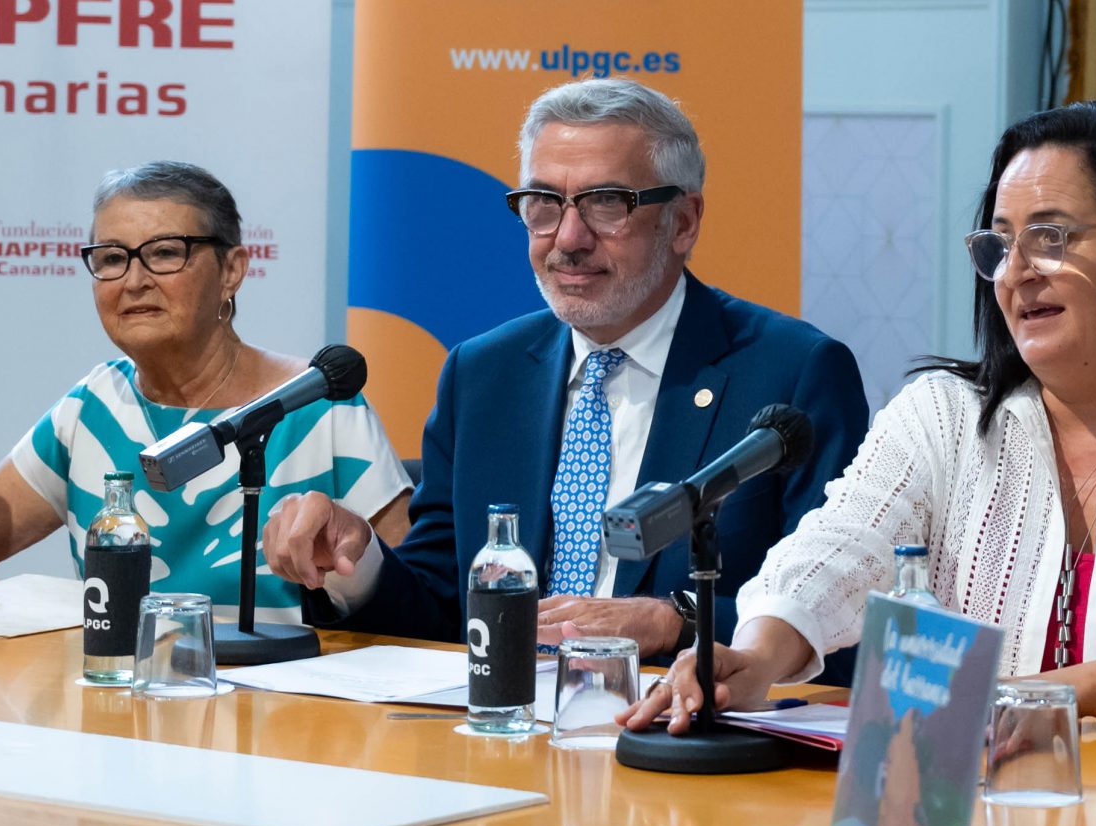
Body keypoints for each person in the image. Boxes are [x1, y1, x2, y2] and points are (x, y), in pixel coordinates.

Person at [626, 99, 1096, 738]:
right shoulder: (946, 416)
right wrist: (757, 654)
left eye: (1053, 237)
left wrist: (1064, 692)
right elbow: (838, 549)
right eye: (1000, 245)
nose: (1018, 271)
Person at [265, 79, 868, 656]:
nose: (568, 238)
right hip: (501, 729)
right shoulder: (483, 373)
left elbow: (840, 606)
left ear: (682, 222)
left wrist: (676, 620)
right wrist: (357, 559)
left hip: (673, 730)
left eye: (607, 204)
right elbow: (443, 602)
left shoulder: (794, 372)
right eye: (544, 204)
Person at [0, 162, 410, 617]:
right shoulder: (93, 409)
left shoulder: (318, 402)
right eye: (111, 258)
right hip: (120, 711)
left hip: (291, 719)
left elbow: (419, 599)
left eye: (165, 252)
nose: (133, 280)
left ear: (232, 270)